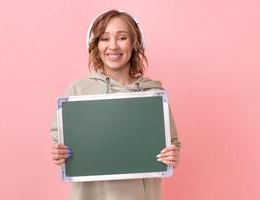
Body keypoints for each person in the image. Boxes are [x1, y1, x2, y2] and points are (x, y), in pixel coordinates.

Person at [50, 9, 181, 200]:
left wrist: (173, 157)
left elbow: (172, 145)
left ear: (135, 43)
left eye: (122, 38)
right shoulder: (79, 91)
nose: (113, 46)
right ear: (95, 44)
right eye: (104, 38)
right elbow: (61, 143)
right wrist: (59, 153)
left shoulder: (152, 94)